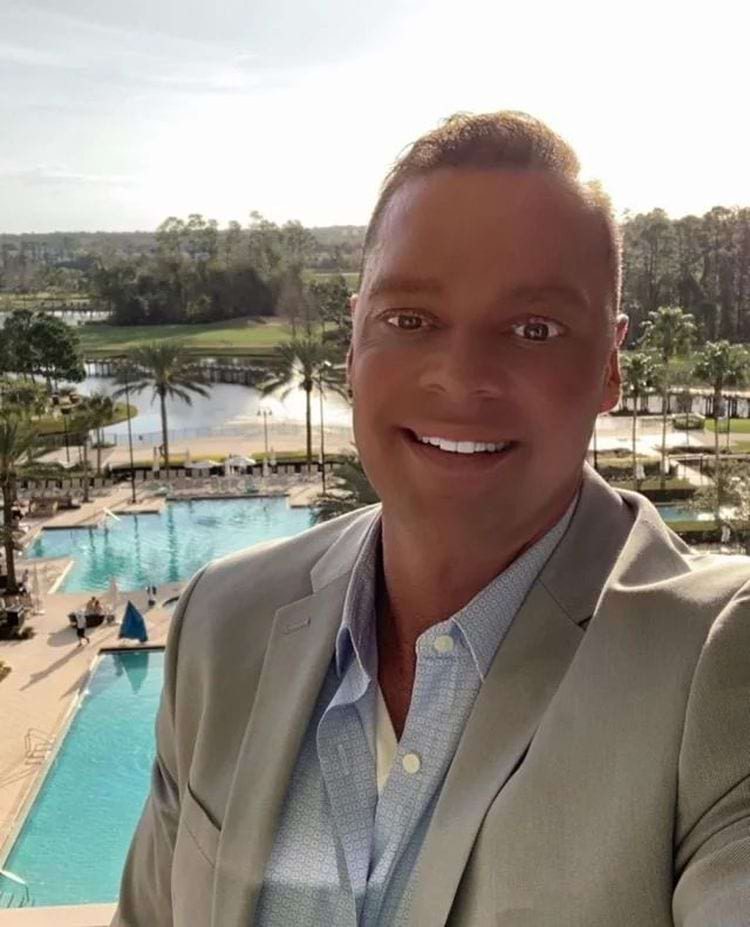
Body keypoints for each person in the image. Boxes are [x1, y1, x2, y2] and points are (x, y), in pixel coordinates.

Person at [113, 113, 750, 927]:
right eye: (410, 320)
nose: (461, 375)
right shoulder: (221, 621)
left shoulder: (715, 659)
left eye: (534, 328)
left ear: (610, 364)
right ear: (353, 341)